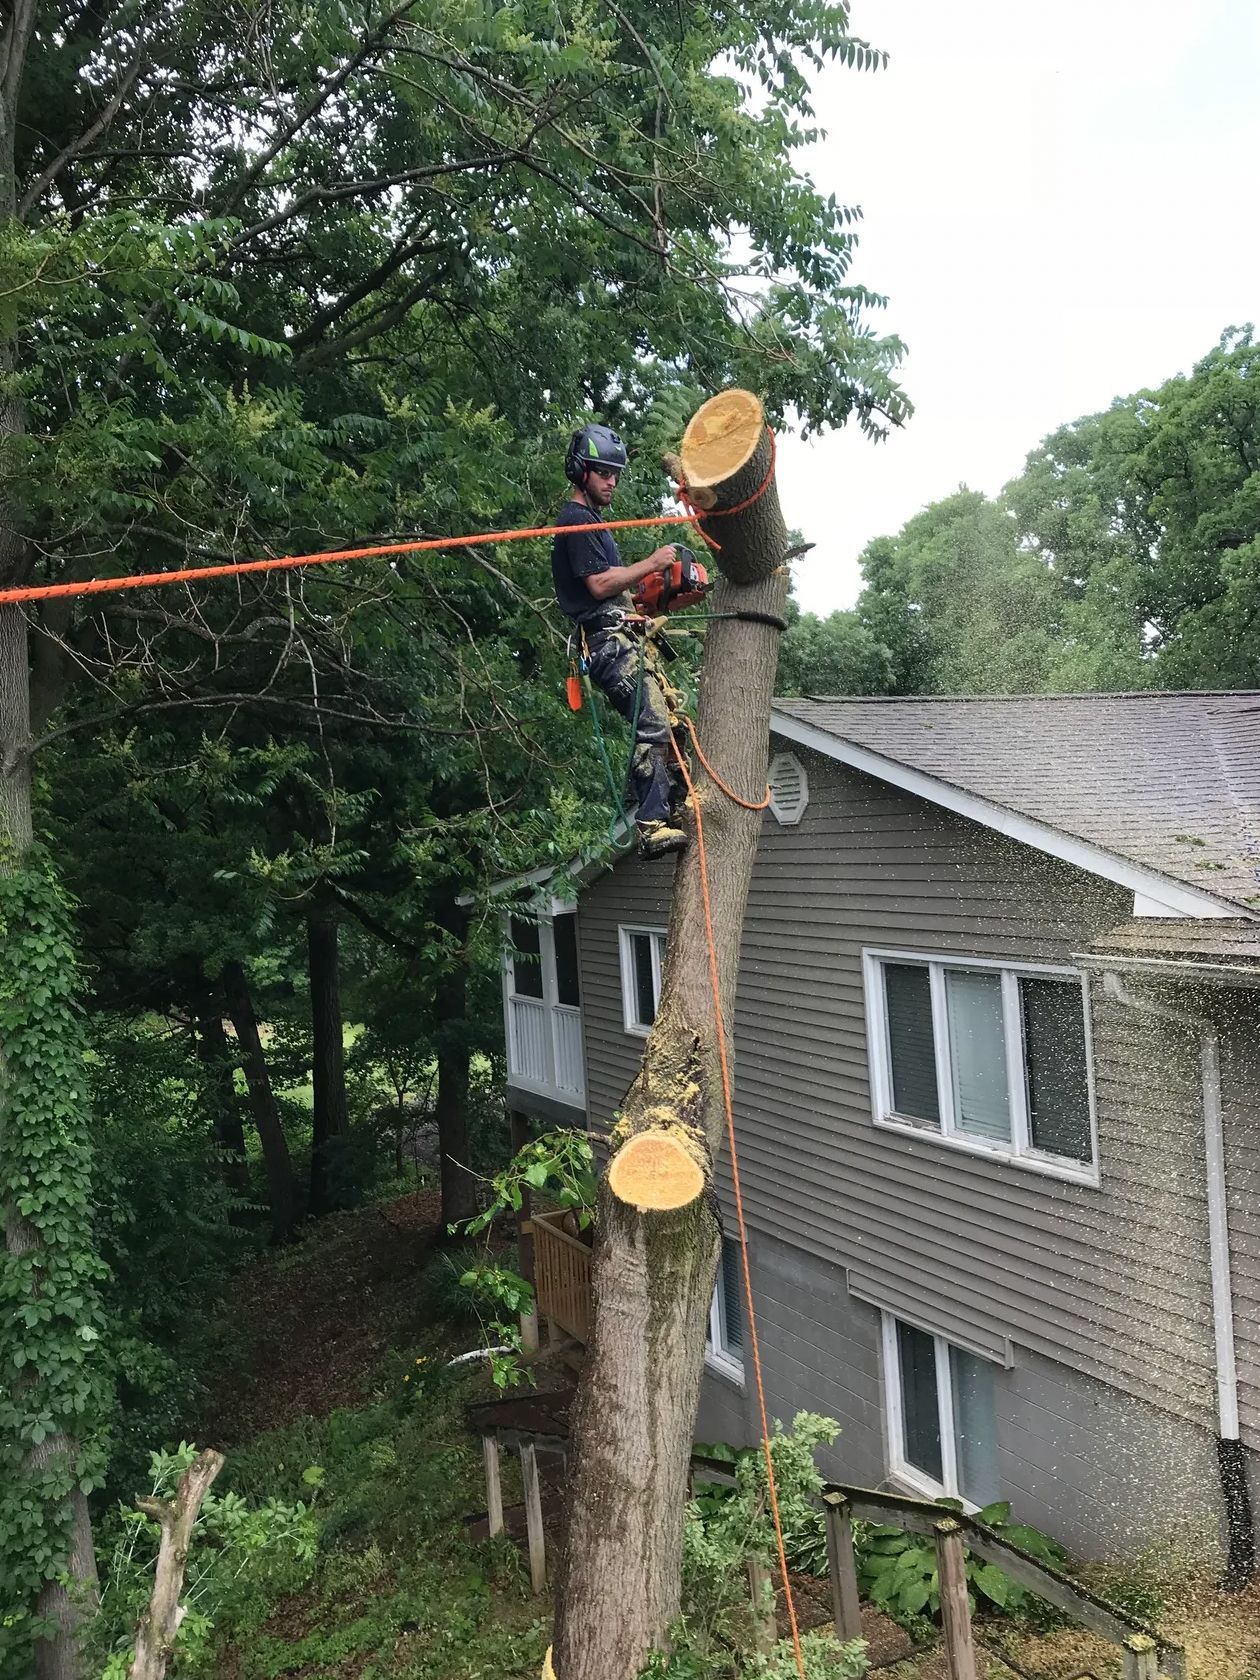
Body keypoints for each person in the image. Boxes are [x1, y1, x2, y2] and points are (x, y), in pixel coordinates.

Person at [552, 423, 688, 858]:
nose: (611, 481)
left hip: (622, 634)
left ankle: (679, 804)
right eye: (603, 473)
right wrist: (650, 563)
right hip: (608, 643)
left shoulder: (594, 523)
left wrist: (657, 597)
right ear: (580, 471)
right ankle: (651, 824)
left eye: (615, 473)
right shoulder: (576, 520)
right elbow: (598, 585)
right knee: (652, 724)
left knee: (674, 722)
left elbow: (617, 591)